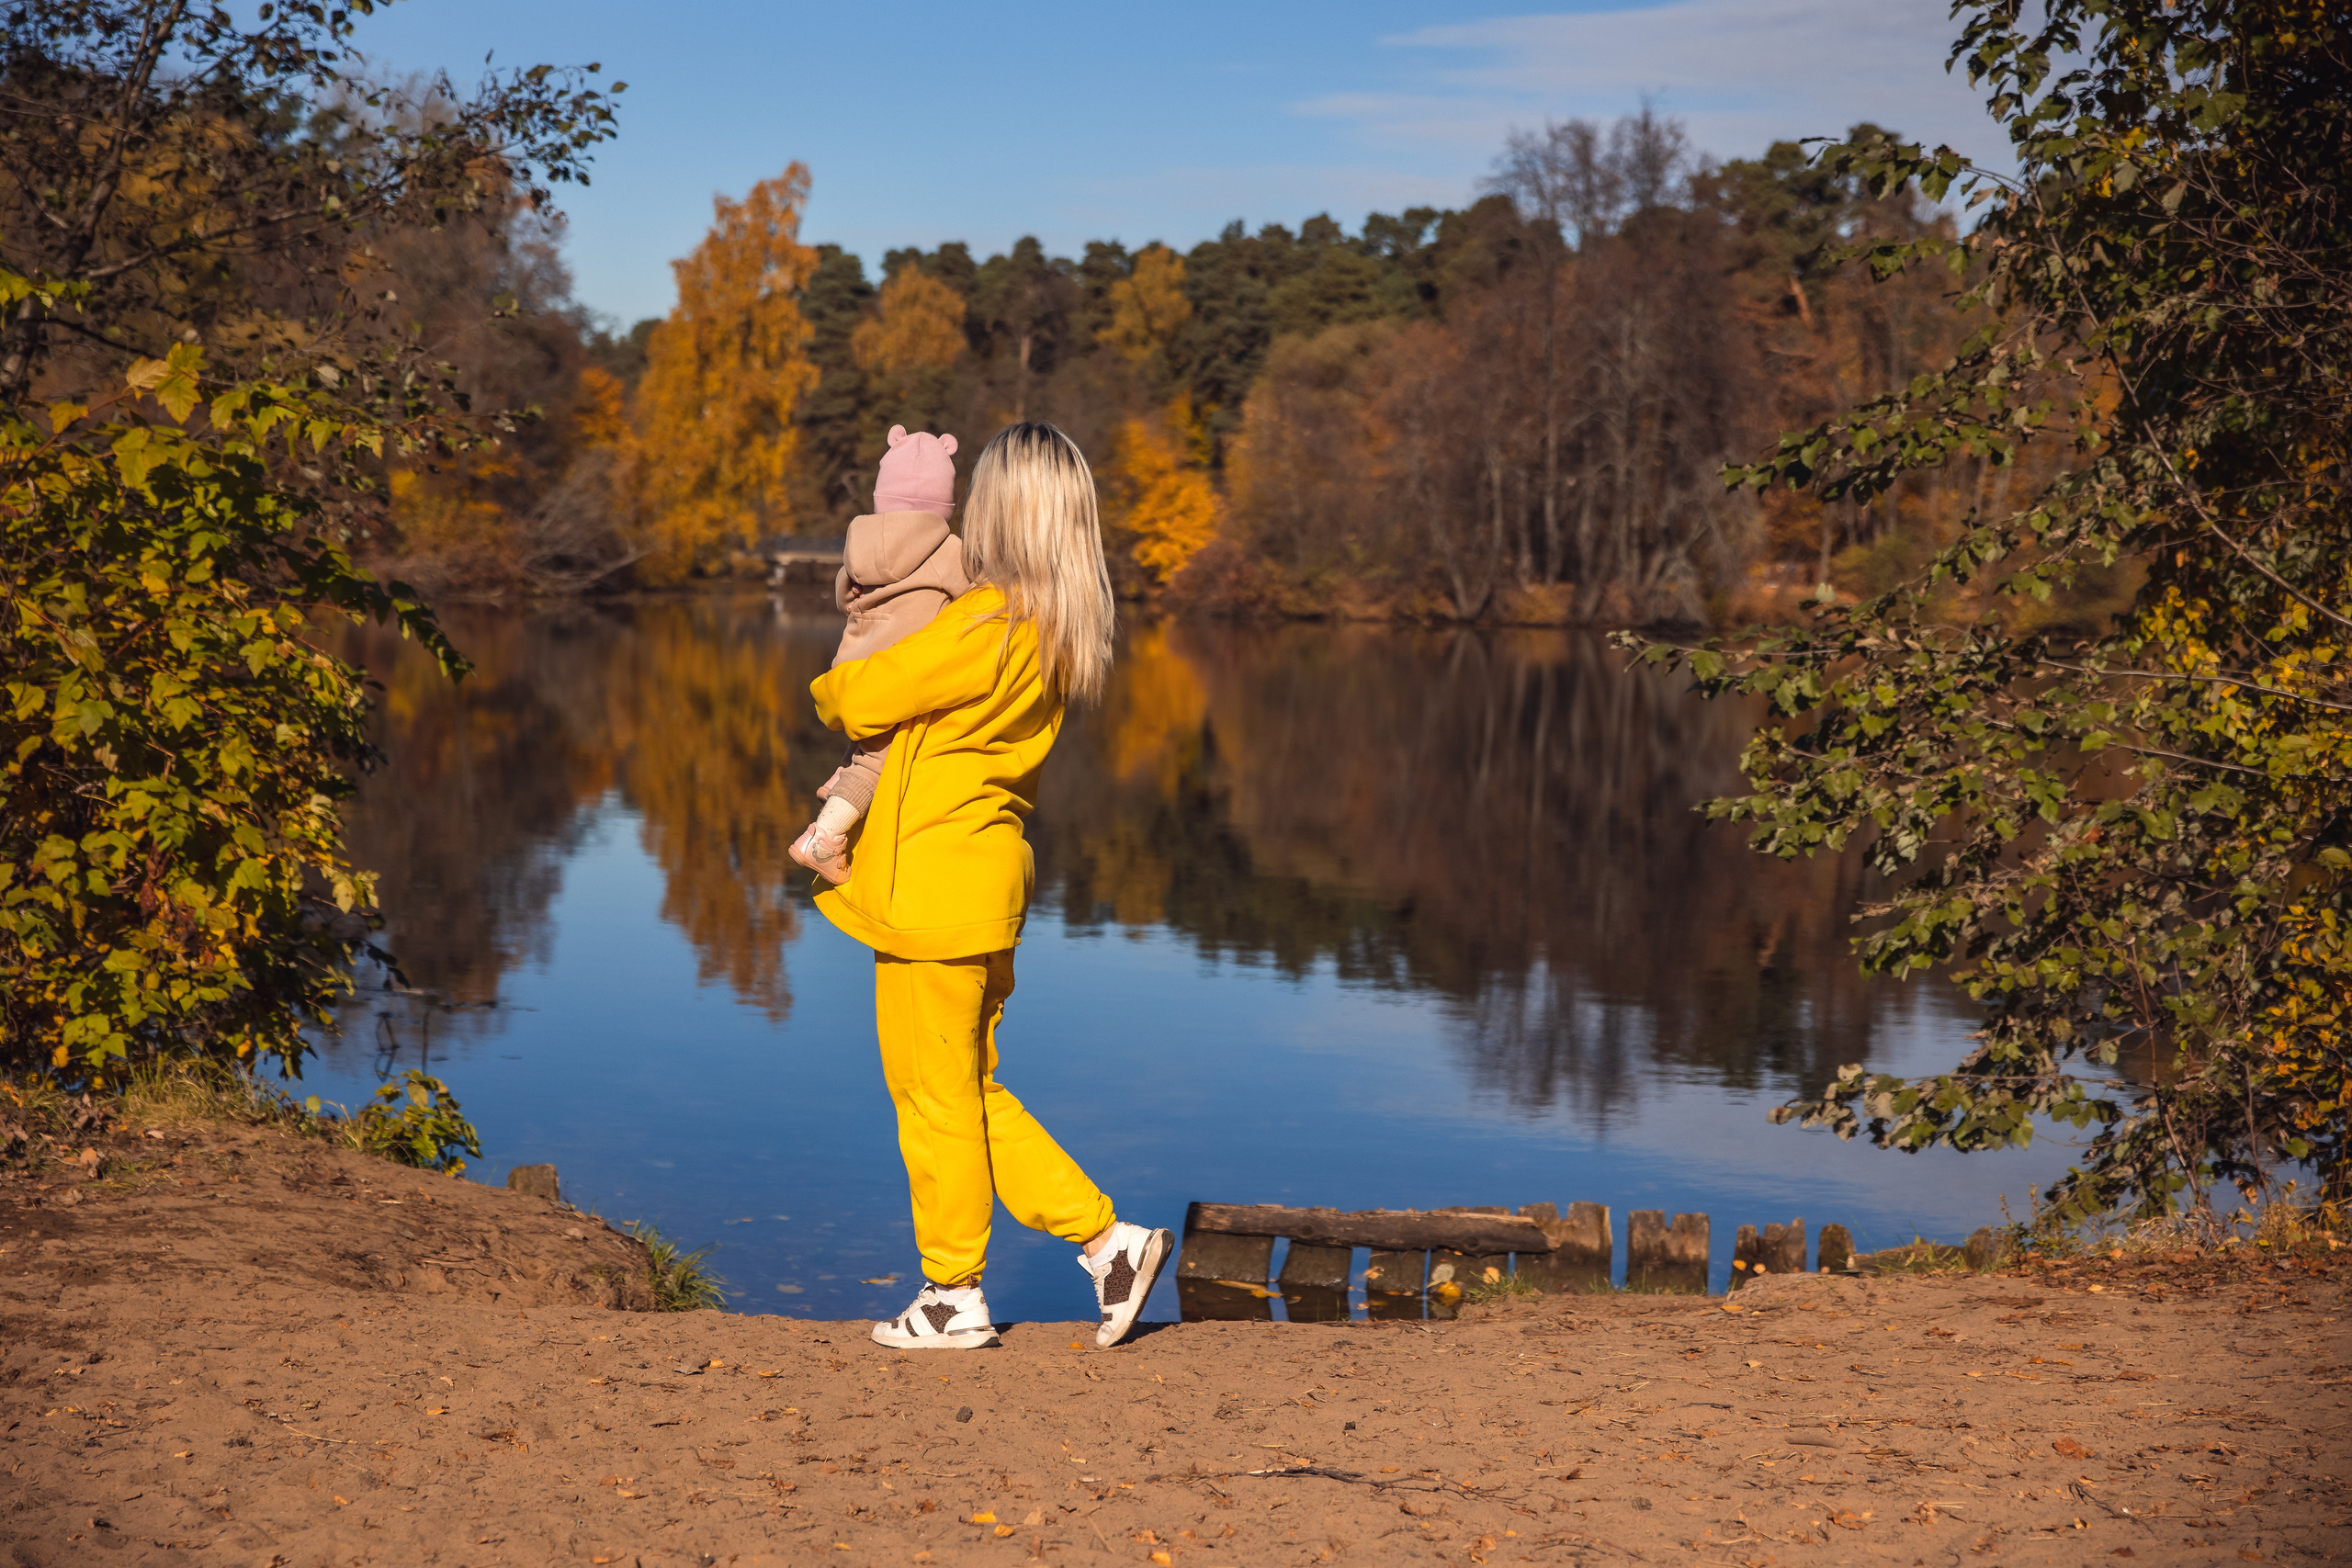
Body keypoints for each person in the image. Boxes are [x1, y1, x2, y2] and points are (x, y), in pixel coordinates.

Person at [808, 422, 1173, 1351]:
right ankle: (1106, 1243)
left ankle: (950, 1292)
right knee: (968, 1087)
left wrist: (840, 670)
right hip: (984, 878)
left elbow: (858, 697)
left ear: (1001, 511)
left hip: (934, 884)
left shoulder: (987, 620)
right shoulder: (1054, 625)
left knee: (931, 1100)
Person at [788, 424, 970, 885]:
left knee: (870, 745)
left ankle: (844, 776)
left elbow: (844, 597)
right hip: (895, 676)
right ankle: (823, 839)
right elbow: (976, 600)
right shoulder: (951, 551)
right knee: (881, 760)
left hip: (850, 665)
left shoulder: (858, 540)